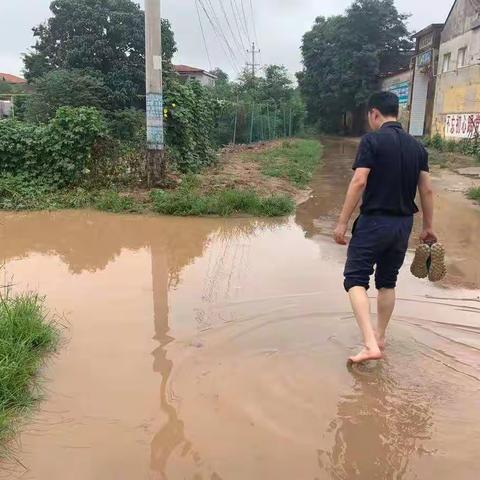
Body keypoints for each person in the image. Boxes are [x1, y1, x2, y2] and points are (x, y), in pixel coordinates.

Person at [333, 91, 437, 364]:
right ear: (398, 113)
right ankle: (379, 336)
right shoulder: (418, 148)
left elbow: (359, 181)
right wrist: (427, 227)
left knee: (355, 279)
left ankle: (369, 344)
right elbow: (426, 189)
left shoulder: (372, 140)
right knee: (387, 282)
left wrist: (343, 221)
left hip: (374, 222)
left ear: (374, 113)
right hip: (403, 225)